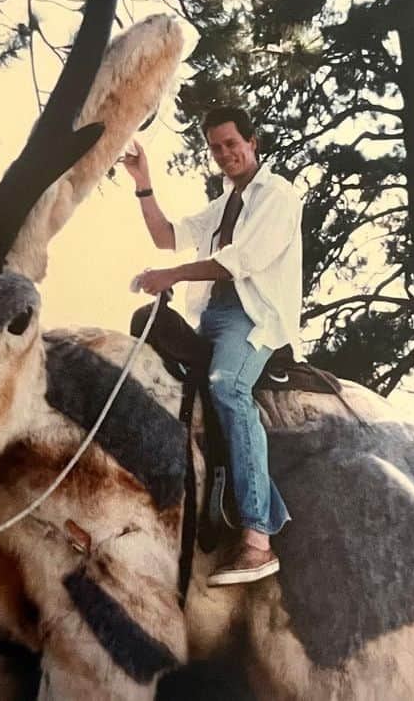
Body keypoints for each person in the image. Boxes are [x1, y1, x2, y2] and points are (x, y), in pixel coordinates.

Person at [122, 107, 303, 586]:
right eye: (216, 148)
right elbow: (168, 238)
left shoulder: (278, 195)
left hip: (254, 319)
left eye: (231, 144)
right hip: (213, 319)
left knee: (227, 386)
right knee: (149, 337)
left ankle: (259, 538)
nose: (225, 155)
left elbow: (239, 261)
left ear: (252, 140)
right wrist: (144, 184)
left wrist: (172, 276)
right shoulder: (224, 202)